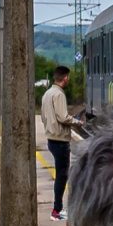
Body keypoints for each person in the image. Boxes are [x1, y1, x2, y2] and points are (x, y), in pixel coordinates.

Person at [37, 67, 78, 217]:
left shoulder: (47, 93)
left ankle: (58, 208)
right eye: (68, 77)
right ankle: (57, 210)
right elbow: (63, 117)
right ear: (65, 78)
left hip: (51, 139)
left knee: (60, 174)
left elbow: (43, 117)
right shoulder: (59, 94)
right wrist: (77, 122)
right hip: (60, 140)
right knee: (62, 176)